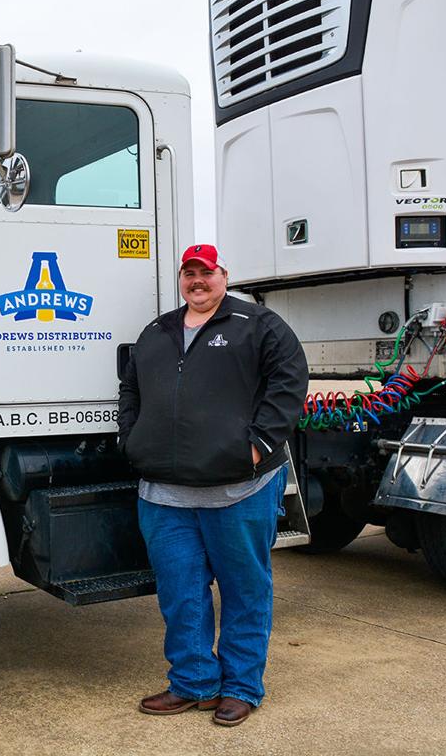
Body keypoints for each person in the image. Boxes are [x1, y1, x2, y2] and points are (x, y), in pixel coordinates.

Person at [118, 243, 308, 727]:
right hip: (164, 495)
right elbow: (131, 388)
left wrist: (256, 446)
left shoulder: (257, 325)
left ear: (224, 274)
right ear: (181, 278)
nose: (197, 281)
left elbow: (289, 383)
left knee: (244, 591)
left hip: (239, 489)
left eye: (206, 272)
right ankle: (194, 682)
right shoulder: (158, 331)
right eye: (189, 273)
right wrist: (132, 439)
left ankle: (242, 687)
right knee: (181, 594)